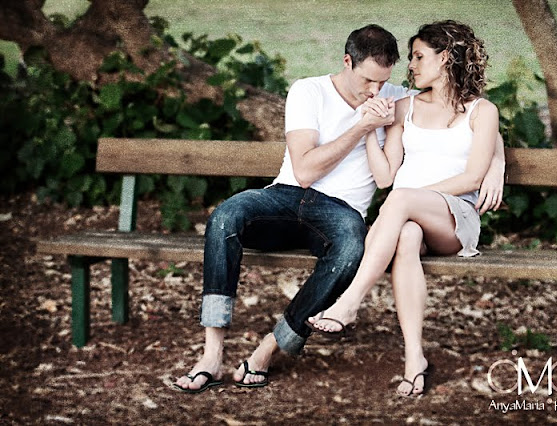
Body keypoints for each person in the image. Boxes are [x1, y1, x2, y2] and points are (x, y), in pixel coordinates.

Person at [174, 23, 504, 393]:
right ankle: (212, 354)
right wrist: (364, 128)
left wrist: (497, 163)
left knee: (352, 247)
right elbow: (308, 172)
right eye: (368, 80)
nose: (376, 90)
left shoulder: (397, 97)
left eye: (384, 81)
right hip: (286, 196)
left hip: (348, 211)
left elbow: (469, 115)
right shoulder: (313, 91)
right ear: (348, 62)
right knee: (225, 217)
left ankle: (289, 336)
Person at [307, 20, 500, 397]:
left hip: (454, 218)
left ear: (445, 58)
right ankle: (415, 360)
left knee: (400, 200)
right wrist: (368, 129)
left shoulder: (482, 111)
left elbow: (473, 177)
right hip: (408, 218)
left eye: (418, 56)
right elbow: (385, 178)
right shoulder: (403, 108)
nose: (410, 65)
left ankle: (349, 302)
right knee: (407, 236)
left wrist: (411, 197)